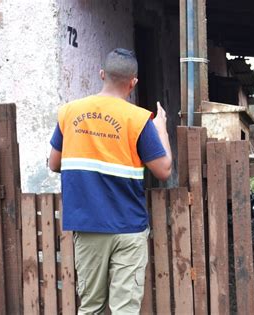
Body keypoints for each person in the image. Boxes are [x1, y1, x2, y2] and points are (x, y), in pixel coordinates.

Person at [48, 48, 172, 314]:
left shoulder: (69, 113)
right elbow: (163, 170)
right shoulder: (138, 119)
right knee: (124, 310)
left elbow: (54, 164)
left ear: (102, 74)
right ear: (133, 82)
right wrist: (161, 128)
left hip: (88, 225)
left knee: (91, 307)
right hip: (128, 227)